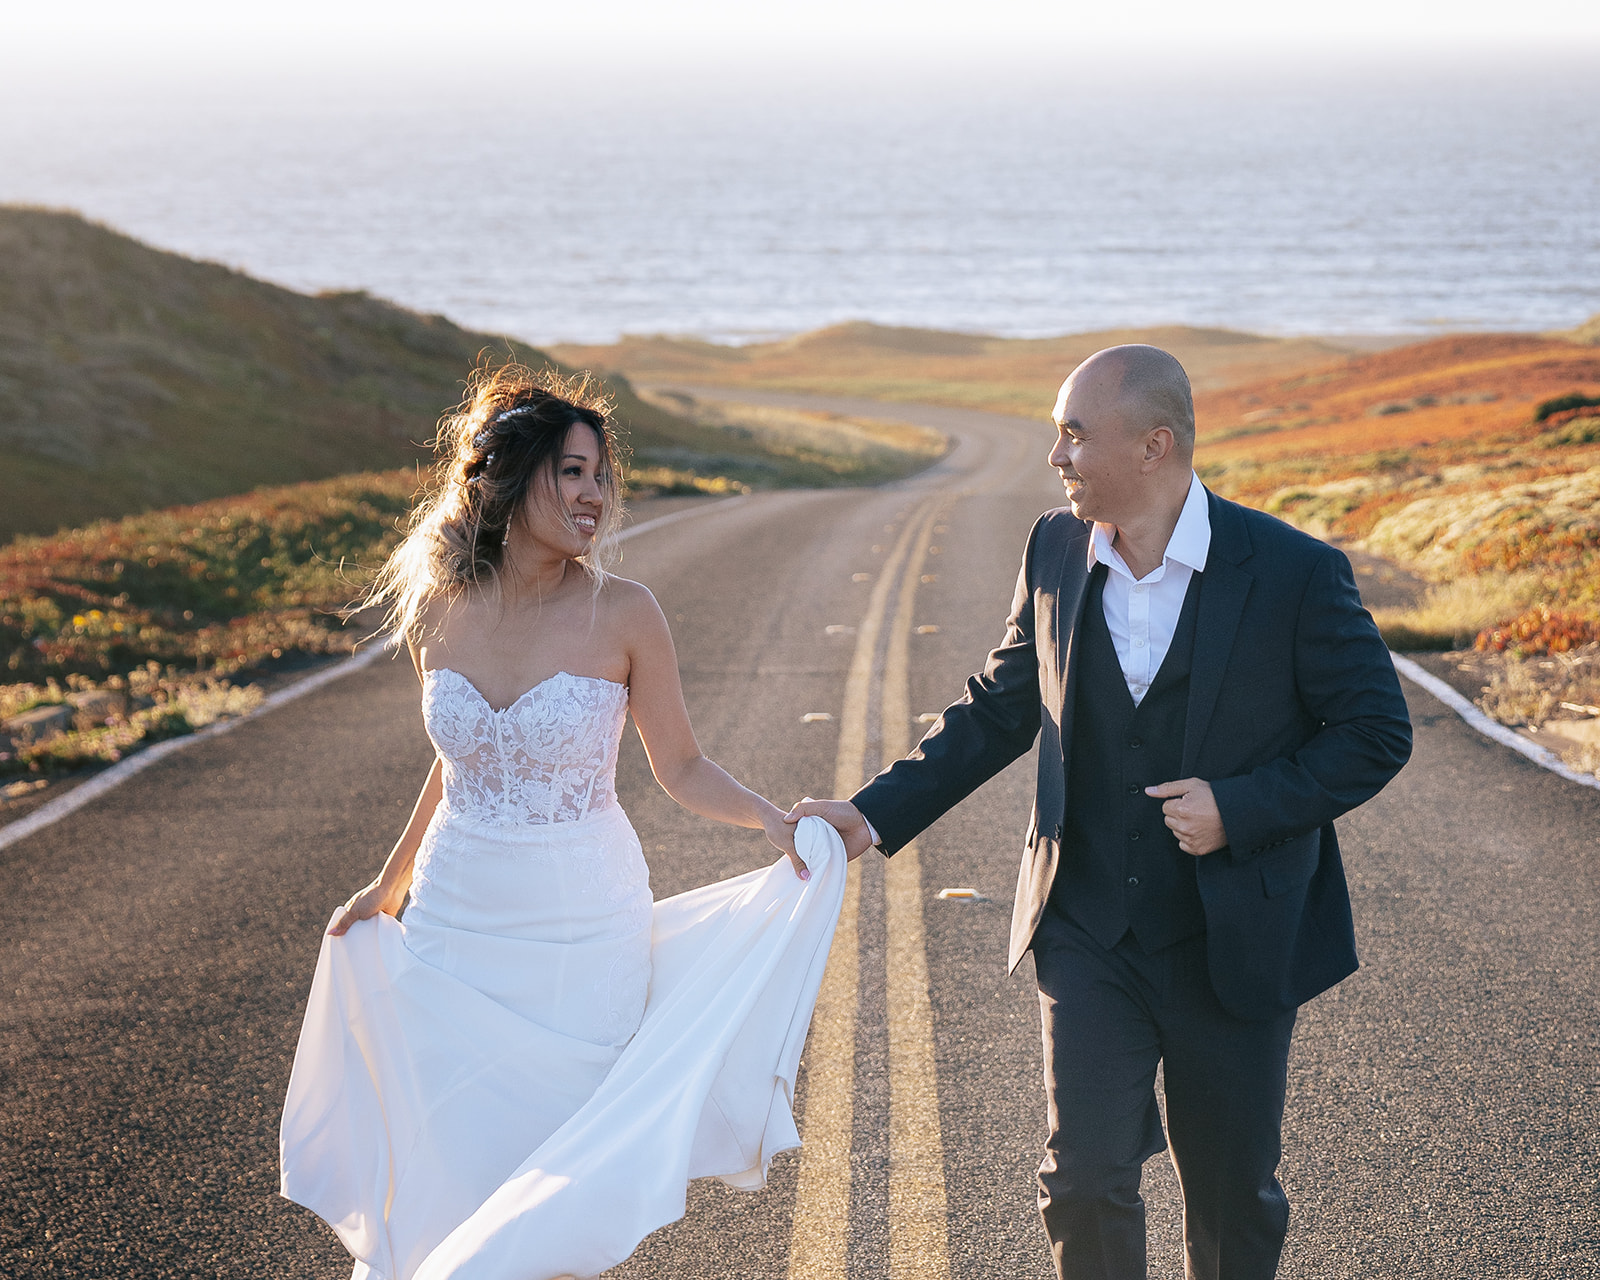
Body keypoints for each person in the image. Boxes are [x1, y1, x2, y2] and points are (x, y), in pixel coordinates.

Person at [790, 345, 1412, 1280]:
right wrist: (870, 814)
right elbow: (1004, 705)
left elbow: (1374, 731)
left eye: (1075, 435)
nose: (1056, 457)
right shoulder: (1053, 549)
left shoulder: (1292, 573)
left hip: (1233, 934)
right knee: (1081, 1179)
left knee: (1233, 1195)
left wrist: (1239, 808)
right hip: (1087, 926)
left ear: (1155, 445)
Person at [279, 364, 846, 1280]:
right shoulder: (439, 608)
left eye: (599, 475)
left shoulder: (625, 613)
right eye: (570, 472)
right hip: (456, 924)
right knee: (455, 1175)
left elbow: (682, 766)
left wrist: (774, 823)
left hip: (584, 936)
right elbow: (457, 762)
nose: (593, 495)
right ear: (508, 479)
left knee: (553, 1203)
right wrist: (390, 884)